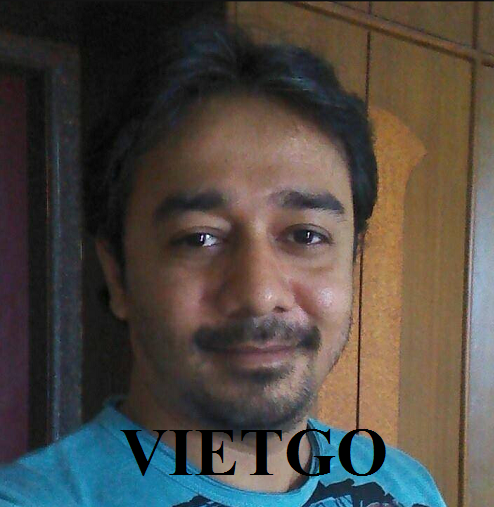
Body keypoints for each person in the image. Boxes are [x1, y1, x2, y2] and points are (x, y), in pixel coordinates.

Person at [0, 17, 446, 507]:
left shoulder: (407, 487)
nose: (259, 293)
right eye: (200, 238)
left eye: (306, 235)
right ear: (117, 274)